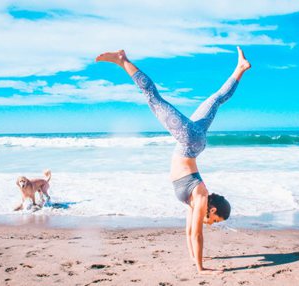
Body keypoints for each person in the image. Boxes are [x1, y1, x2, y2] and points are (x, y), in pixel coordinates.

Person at [96, 47, 251, 274]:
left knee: (216, 100)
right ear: (213, 209)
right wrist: (201, 269)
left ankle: (240, 69)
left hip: (193, 142)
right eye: (216, 220)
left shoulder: (194, 201)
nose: (213, 223)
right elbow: (198, 233)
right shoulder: (201, 197)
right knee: (153, 98)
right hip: (189, 141)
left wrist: (193, 258)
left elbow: (189, 232)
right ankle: (123, 60)